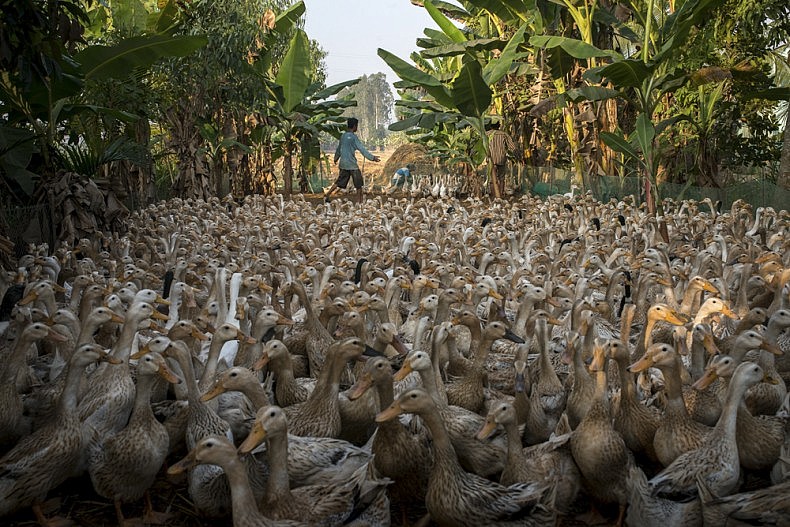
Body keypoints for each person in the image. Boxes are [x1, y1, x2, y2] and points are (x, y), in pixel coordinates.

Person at [324, 117, 380, 203]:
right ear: (354, 126)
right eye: (357, 126)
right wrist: (373, 158)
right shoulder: (354, 137)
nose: (357, 127)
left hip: (343, 164)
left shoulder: (343, 136)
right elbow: (362, 149)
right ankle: (359, 203)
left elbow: (339, 149)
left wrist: (336, 158)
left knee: (339, 182)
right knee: (359, 185)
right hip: (352, 165)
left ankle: (327, 194)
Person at [487, 120, 521, 199]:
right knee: (501, 178)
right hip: (501, 158)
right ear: (498, 126)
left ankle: (493, 195)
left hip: (490, 159)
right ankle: (501, 194)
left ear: (490, 126)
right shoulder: (504, 134)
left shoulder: (486, 134)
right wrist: (517, 155)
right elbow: (512, 146)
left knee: (492, 178)